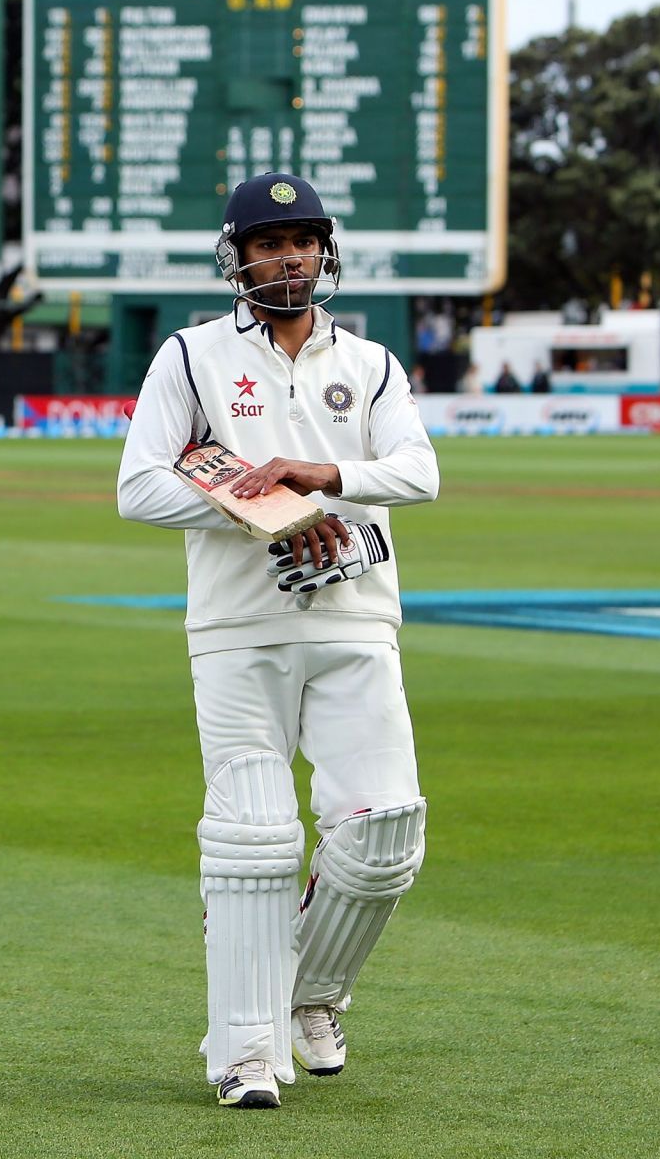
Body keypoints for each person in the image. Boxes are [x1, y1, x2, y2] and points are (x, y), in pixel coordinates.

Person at [117, 172, 439, 1110]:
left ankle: (311, 994)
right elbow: (139, 488)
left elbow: (418, 473)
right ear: (238, 256)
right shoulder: (191, 357)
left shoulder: (372, 364)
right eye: (269, 241)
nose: (288, 256)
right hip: (238, 626)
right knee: (255, 837)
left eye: (302, 239)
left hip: (357, 618)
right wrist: (268, 508)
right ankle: (246, 1052)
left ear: (325, 251)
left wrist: (321, 476)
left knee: (384, 835)